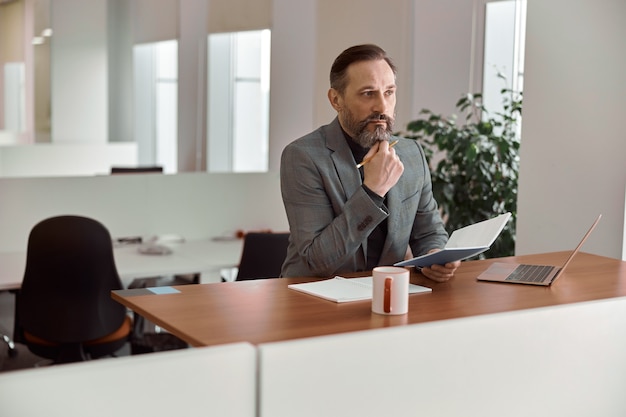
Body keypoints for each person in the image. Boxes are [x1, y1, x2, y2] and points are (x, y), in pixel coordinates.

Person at [280, 44, 460, 282]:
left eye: (389, 92)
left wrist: (435, 255)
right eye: (368, 94)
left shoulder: (412, 153)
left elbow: (428, 232)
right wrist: (373, 191)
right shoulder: (302, 156)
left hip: (386, 293)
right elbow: (318, 261)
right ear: (336, 100)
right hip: (313, 297)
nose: (382, 107)